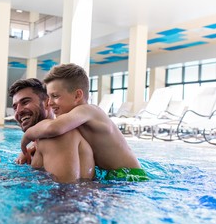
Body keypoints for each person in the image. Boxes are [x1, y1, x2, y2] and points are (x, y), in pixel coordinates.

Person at [20, 63, 148, 181]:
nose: (49, 103)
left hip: (130, 176)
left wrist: (27, 136)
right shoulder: (76, 118)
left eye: (55, 96)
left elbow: (55, 127)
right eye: (49, 97)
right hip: (114, 175)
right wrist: (34, 146)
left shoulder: (88, 110)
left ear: (77, 96)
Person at [9, 78, 95, 183]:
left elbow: (66, 193)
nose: (18, 111)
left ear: (47, 103)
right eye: (15, 107)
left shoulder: (54, 138)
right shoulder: (40, 142)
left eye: (25, 102)